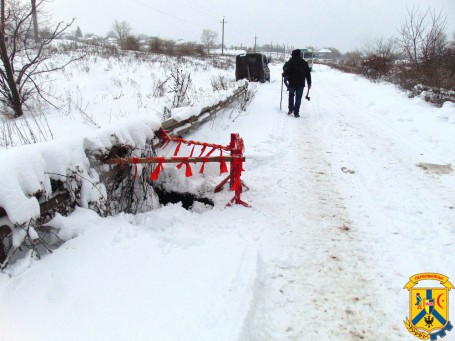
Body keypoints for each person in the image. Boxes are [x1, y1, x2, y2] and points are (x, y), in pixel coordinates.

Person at [282, 49, 312, 117]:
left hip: (292, 83)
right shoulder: (304, 63)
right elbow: (308, 74)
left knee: (291, 96)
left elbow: (288, 71)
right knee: (298, 98)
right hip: (301, 84)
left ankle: (290, 110)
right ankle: (296, 113)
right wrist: (309, 83)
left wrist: (283, 74)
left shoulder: (291, 62)